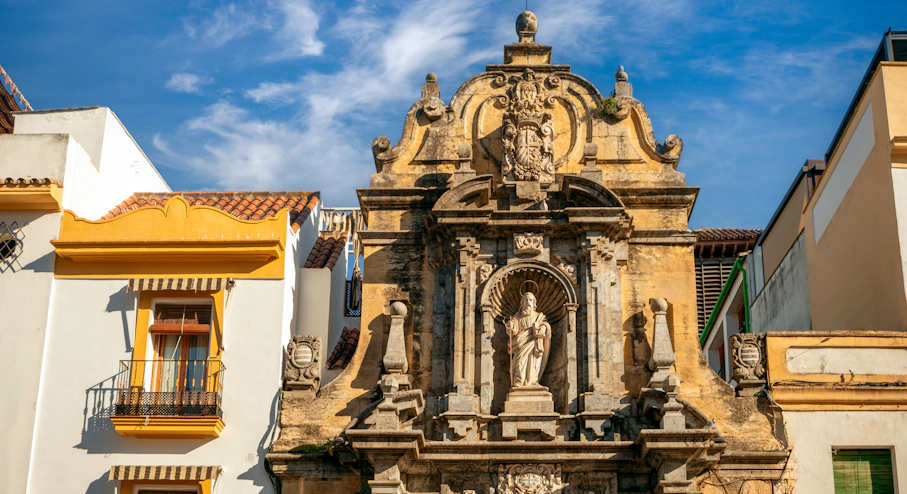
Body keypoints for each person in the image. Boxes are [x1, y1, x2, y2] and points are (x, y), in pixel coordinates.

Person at [505, 291, 551, 387]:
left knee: (534, 362)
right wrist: (511, 326)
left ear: (534, 303)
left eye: (530, 300)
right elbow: (514, 328)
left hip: (534, 343)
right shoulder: (517, 316)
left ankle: (532, 381)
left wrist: (543, 327)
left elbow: (545, 324)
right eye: (526, 300)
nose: (528, 302)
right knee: (520, 362)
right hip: (521, 343)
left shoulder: (539, 316)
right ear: (522, 302)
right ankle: (519, 380)